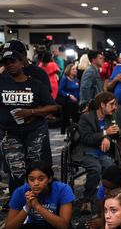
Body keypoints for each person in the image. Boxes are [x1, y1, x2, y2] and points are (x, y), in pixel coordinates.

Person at [0, 50, 58, 207]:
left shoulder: (35, 84)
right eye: (6, 63)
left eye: (13, 61)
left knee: (36, 169)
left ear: (21, 62)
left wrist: (31, 112)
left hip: (34, 130)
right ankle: (21, 204)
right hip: (9, 132)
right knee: (17, 171)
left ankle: (41, 202)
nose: (10, 65)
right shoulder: (1, 82)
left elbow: (53, 107)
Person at [72, 91, 119, 214]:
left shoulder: (110, 117)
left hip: (101, 151)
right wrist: (105, 134)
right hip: (85, 150)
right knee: (96, 168)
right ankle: (87, 199)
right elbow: (86, 138)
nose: (115, 107)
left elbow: (113, 135)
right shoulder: (86, 118)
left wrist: (108, 137)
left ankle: (109, 196)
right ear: (102, 105)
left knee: (110, 167)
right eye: (112, 104)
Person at [6, 161, 75, 229]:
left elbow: (64, 226)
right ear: (27, 181)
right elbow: (9, 227)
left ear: (49, 179)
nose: (36, 183)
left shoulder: (63, 189)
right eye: (31, 179)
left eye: (41, 179)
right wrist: (27, 207)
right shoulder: (20, 192)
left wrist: (37, 206)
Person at [58, 63, 80, 134]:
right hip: (67, 103)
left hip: (76, 102)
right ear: (69, 70)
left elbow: (78, 90)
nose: (75, 70)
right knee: (68, 119)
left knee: (76, 119)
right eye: (73, 69)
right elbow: (60, 90)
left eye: (75, 69)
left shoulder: (76, 79)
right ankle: (67, 133)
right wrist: (68, 95)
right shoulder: (65, 79)